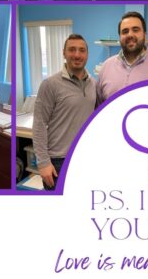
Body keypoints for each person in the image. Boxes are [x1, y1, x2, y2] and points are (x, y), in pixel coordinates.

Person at [32, 34, 96, 190]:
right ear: (64, 53)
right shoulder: (50, 84)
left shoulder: (93, 83)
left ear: (87, 54)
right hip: (58, 161)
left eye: (82, 50)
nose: (77, 54)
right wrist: (43, 162)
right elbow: (39, 124)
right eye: (72, 50)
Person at [97, 12, 148, 103]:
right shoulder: (106, 67)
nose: (130, 35)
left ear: (145, 35)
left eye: (135, 30)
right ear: (120, 37)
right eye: (125, 31)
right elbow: (99, 107)